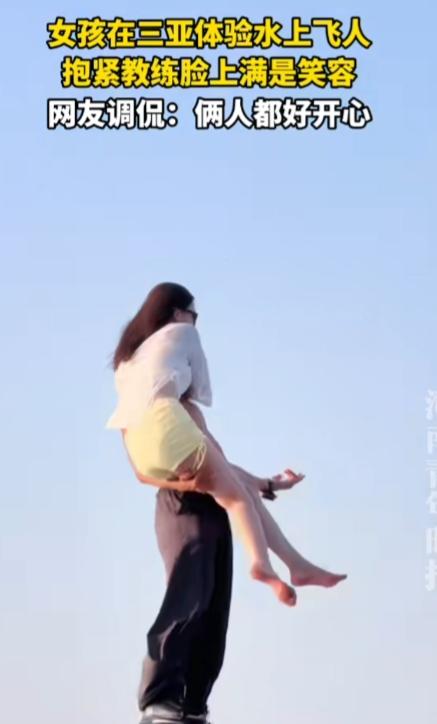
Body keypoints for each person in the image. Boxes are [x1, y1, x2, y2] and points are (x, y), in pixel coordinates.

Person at [106, 283, 347, 606]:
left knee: (237, 486)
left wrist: (270, 483)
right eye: (194, 315)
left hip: (141, 448)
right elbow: (201, 390)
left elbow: (143, 473)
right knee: (237, 499)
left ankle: (296, 565)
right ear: (177, 313)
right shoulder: (183, 337)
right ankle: (262, 566)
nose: (195, 323)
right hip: (167, 429)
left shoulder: (126, 367)